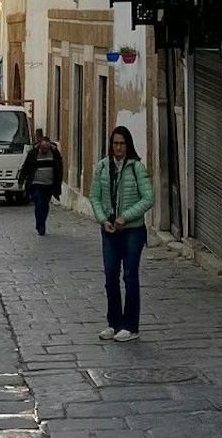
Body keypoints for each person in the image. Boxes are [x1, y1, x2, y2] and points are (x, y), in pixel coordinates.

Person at [88, 125, 154, 341]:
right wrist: (102, 219)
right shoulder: (102, 167)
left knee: (130, 275)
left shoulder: (137, 168)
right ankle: (113, 323)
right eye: (115, 143)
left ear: (128, 145)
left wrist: (125, 216)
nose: (118, 147)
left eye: (122, 143)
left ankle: (131, 326)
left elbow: (148, 198)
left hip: (132, 231)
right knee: (110, 277)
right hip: (109, 230)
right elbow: (95, 197)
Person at [19, 128, 64, 235]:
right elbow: (25, 167)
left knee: (45, 205)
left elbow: (59, 167)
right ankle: (40, 225)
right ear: (40, 146)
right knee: (38, 203)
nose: (45, 150)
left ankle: (41, 222)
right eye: (43, 147)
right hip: (36, 184)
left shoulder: (54, 153)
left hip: (49, 185)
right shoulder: (33, 153)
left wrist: (58, 183)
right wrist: (21, 181)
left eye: (47, 148)